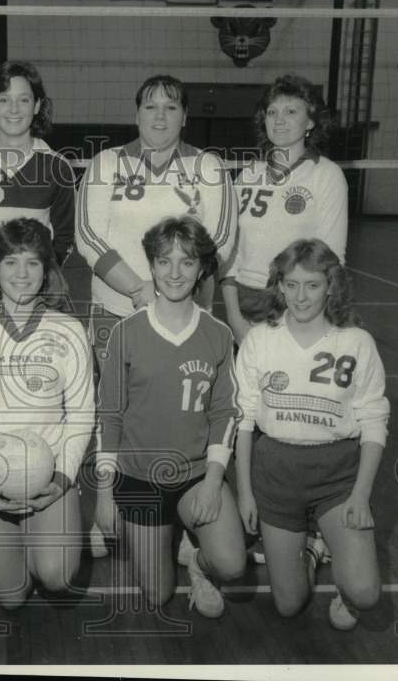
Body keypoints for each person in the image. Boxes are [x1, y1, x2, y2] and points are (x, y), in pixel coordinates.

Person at [76, 74, 239, 556]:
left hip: (186, 319)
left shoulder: (208, 168)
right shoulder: (107, 163)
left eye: (171, 107)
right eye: (150, 106)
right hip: (115, 312)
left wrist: (175, 294)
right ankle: (104, 508)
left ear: (185, 116)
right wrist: (140, 290)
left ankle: (182, 519)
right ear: (136, 114)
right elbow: (87, 235)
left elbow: (221, 242)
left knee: (178, 414)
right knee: (112, 416)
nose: (160, 116)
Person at [95, 215, 246, 617]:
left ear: (201, 269)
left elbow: (225, 412)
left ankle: (198, 563)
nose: (175, 272)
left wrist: (214, 482)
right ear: (152, 266)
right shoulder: (126, 333)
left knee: (232, 564)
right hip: (139, 477)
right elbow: (108, 415)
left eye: (187, 261)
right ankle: (147, 530)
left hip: (195, 475)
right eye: (164, 261)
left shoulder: (217, 334)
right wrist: (105, 494)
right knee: (158, 595)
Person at [234, 238, 388, 630]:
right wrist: (247, 492)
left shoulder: (356, 342)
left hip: (337, 475)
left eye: (313, 285)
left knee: (366, 593)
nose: (301, 296)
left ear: (331, 286)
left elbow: (373, 420)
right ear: (279, 285)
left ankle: (345, 588)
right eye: (291, 284)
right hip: (277, 472)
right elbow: (244, 420)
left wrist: (361, 495)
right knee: (289, 605)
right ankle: (310, 551)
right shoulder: (259, 340)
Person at [0, 218, 93, 609]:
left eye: (32, 262)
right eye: (11, 262)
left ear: (47, 272)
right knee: (11, 599)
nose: (22, 273)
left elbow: (81, 415)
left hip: (50, 471)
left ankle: (40, 529)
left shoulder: (69, 331)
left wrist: (61, 479)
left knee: (57, 576)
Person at [222, 74, 348, 345]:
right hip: (244, 304)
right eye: (272, 112)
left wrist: (303, 316)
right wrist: (234, 319)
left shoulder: (325, 174)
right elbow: (230, 254)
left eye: (291, 111)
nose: (279, 120)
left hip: (297, 305)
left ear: (311, 121)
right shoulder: (247, 175)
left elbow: (332, 257)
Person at [0, 60, 76, 319]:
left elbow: (64, 236)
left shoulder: (57, 166)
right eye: (4, 100)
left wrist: (36, 274)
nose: (14, 110)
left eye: (24, 100)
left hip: (34, 293)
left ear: (38, 105)